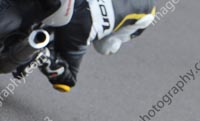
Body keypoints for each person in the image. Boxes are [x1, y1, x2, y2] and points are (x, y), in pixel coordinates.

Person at [10, 0, 155, 92]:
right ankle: (42, 56)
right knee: (67, 81)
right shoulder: (149, 12)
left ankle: (31, 45)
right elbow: (105, 47)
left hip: (72, 6)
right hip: (84, 20)